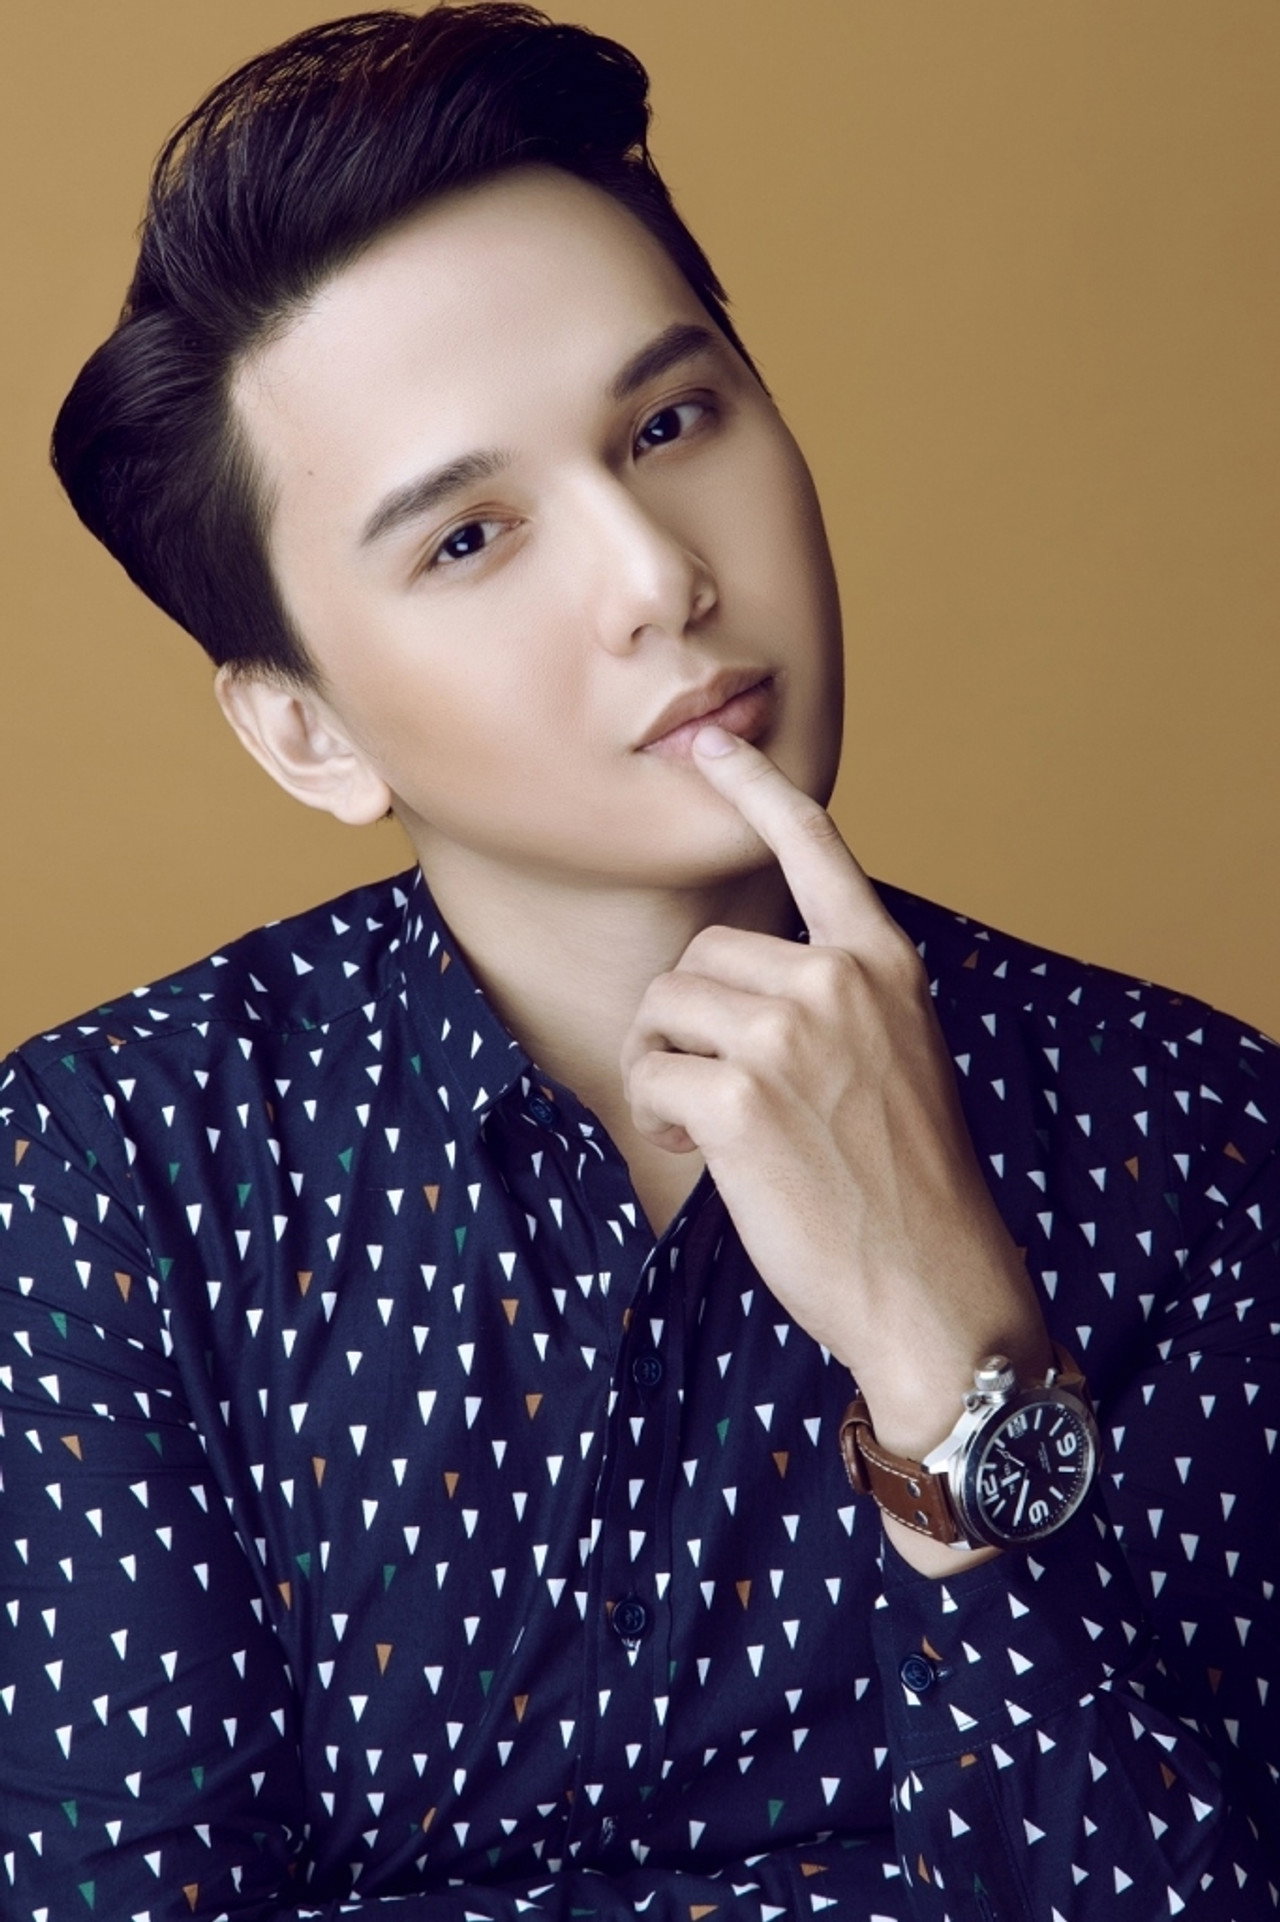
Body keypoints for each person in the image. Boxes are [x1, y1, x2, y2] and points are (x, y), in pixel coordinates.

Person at [1, 5, 1276, 1917]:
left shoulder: (1194, 1131)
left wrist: (952, 1356)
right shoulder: (114, 1169)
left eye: (671, 424)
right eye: (470, 538)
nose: (659, 575)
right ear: (309, 734)